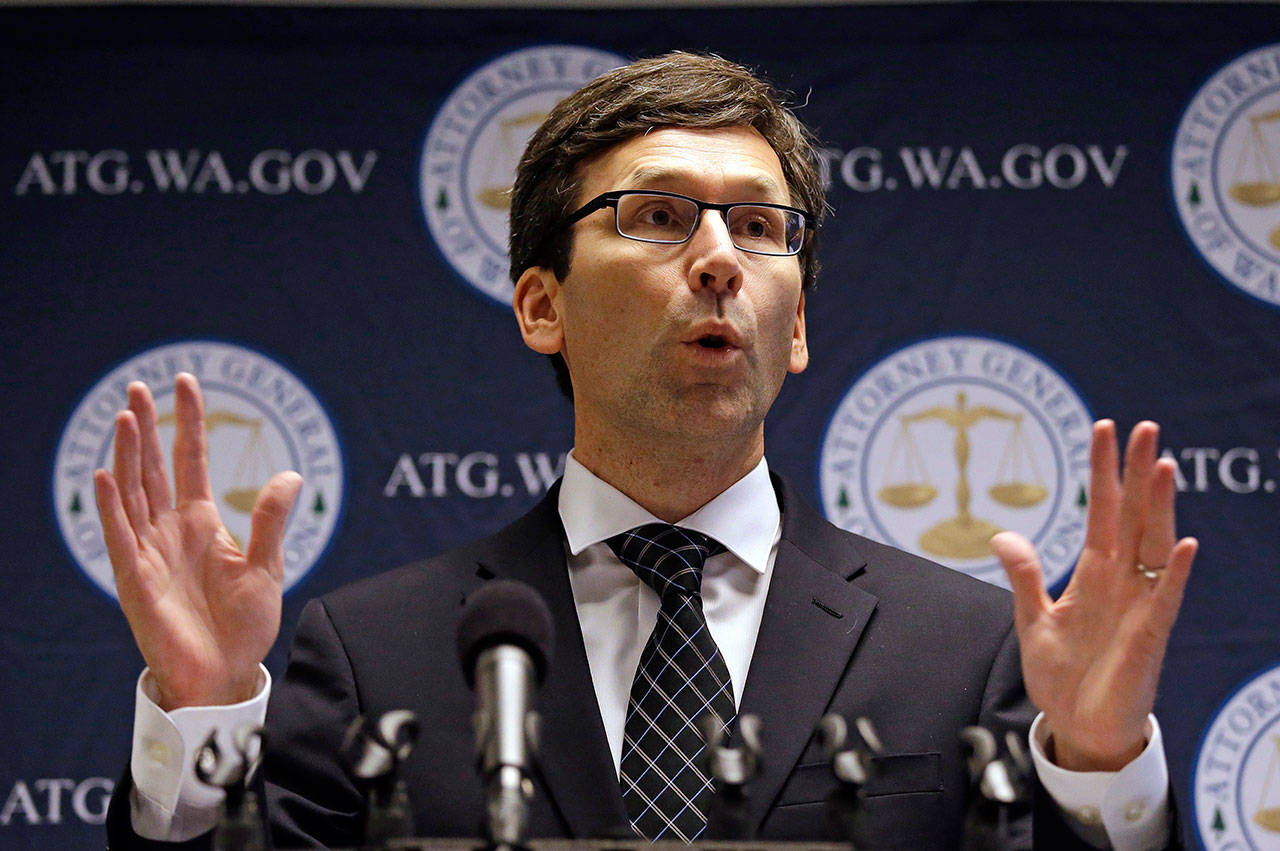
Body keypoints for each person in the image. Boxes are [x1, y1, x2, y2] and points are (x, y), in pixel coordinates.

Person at [98, 53, 1196, 849]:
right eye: (658, 216)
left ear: (798, 323)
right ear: (541, 304)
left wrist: (1101, 768)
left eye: (760, 227)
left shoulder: (960, 650)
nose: (719, 258)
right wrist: (199, 718)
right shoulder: (370, 651)